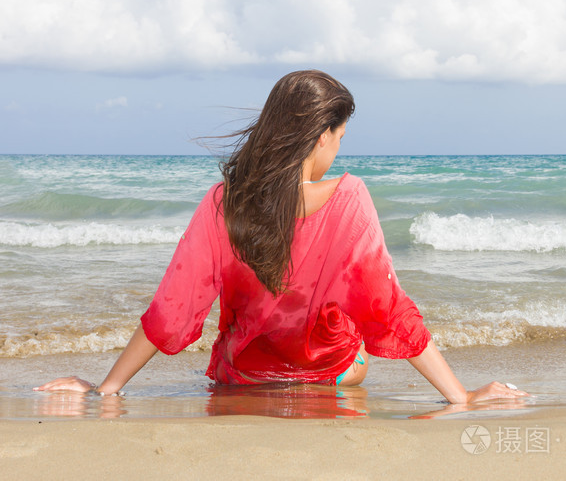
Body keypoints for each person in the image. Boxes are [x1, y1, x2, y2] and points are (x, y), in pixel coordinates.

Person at [36, 70, 525, 406]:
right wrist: (460, 397)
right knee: (351, 338)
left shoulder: (222, 201)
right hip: (329, 373)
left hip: (239, 376)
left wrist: (108, 388)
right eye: (340, 137)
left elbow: (173, 306)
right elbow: (386, 307)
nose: (338, 148)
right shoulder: (349, 197)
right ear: (320, 138)